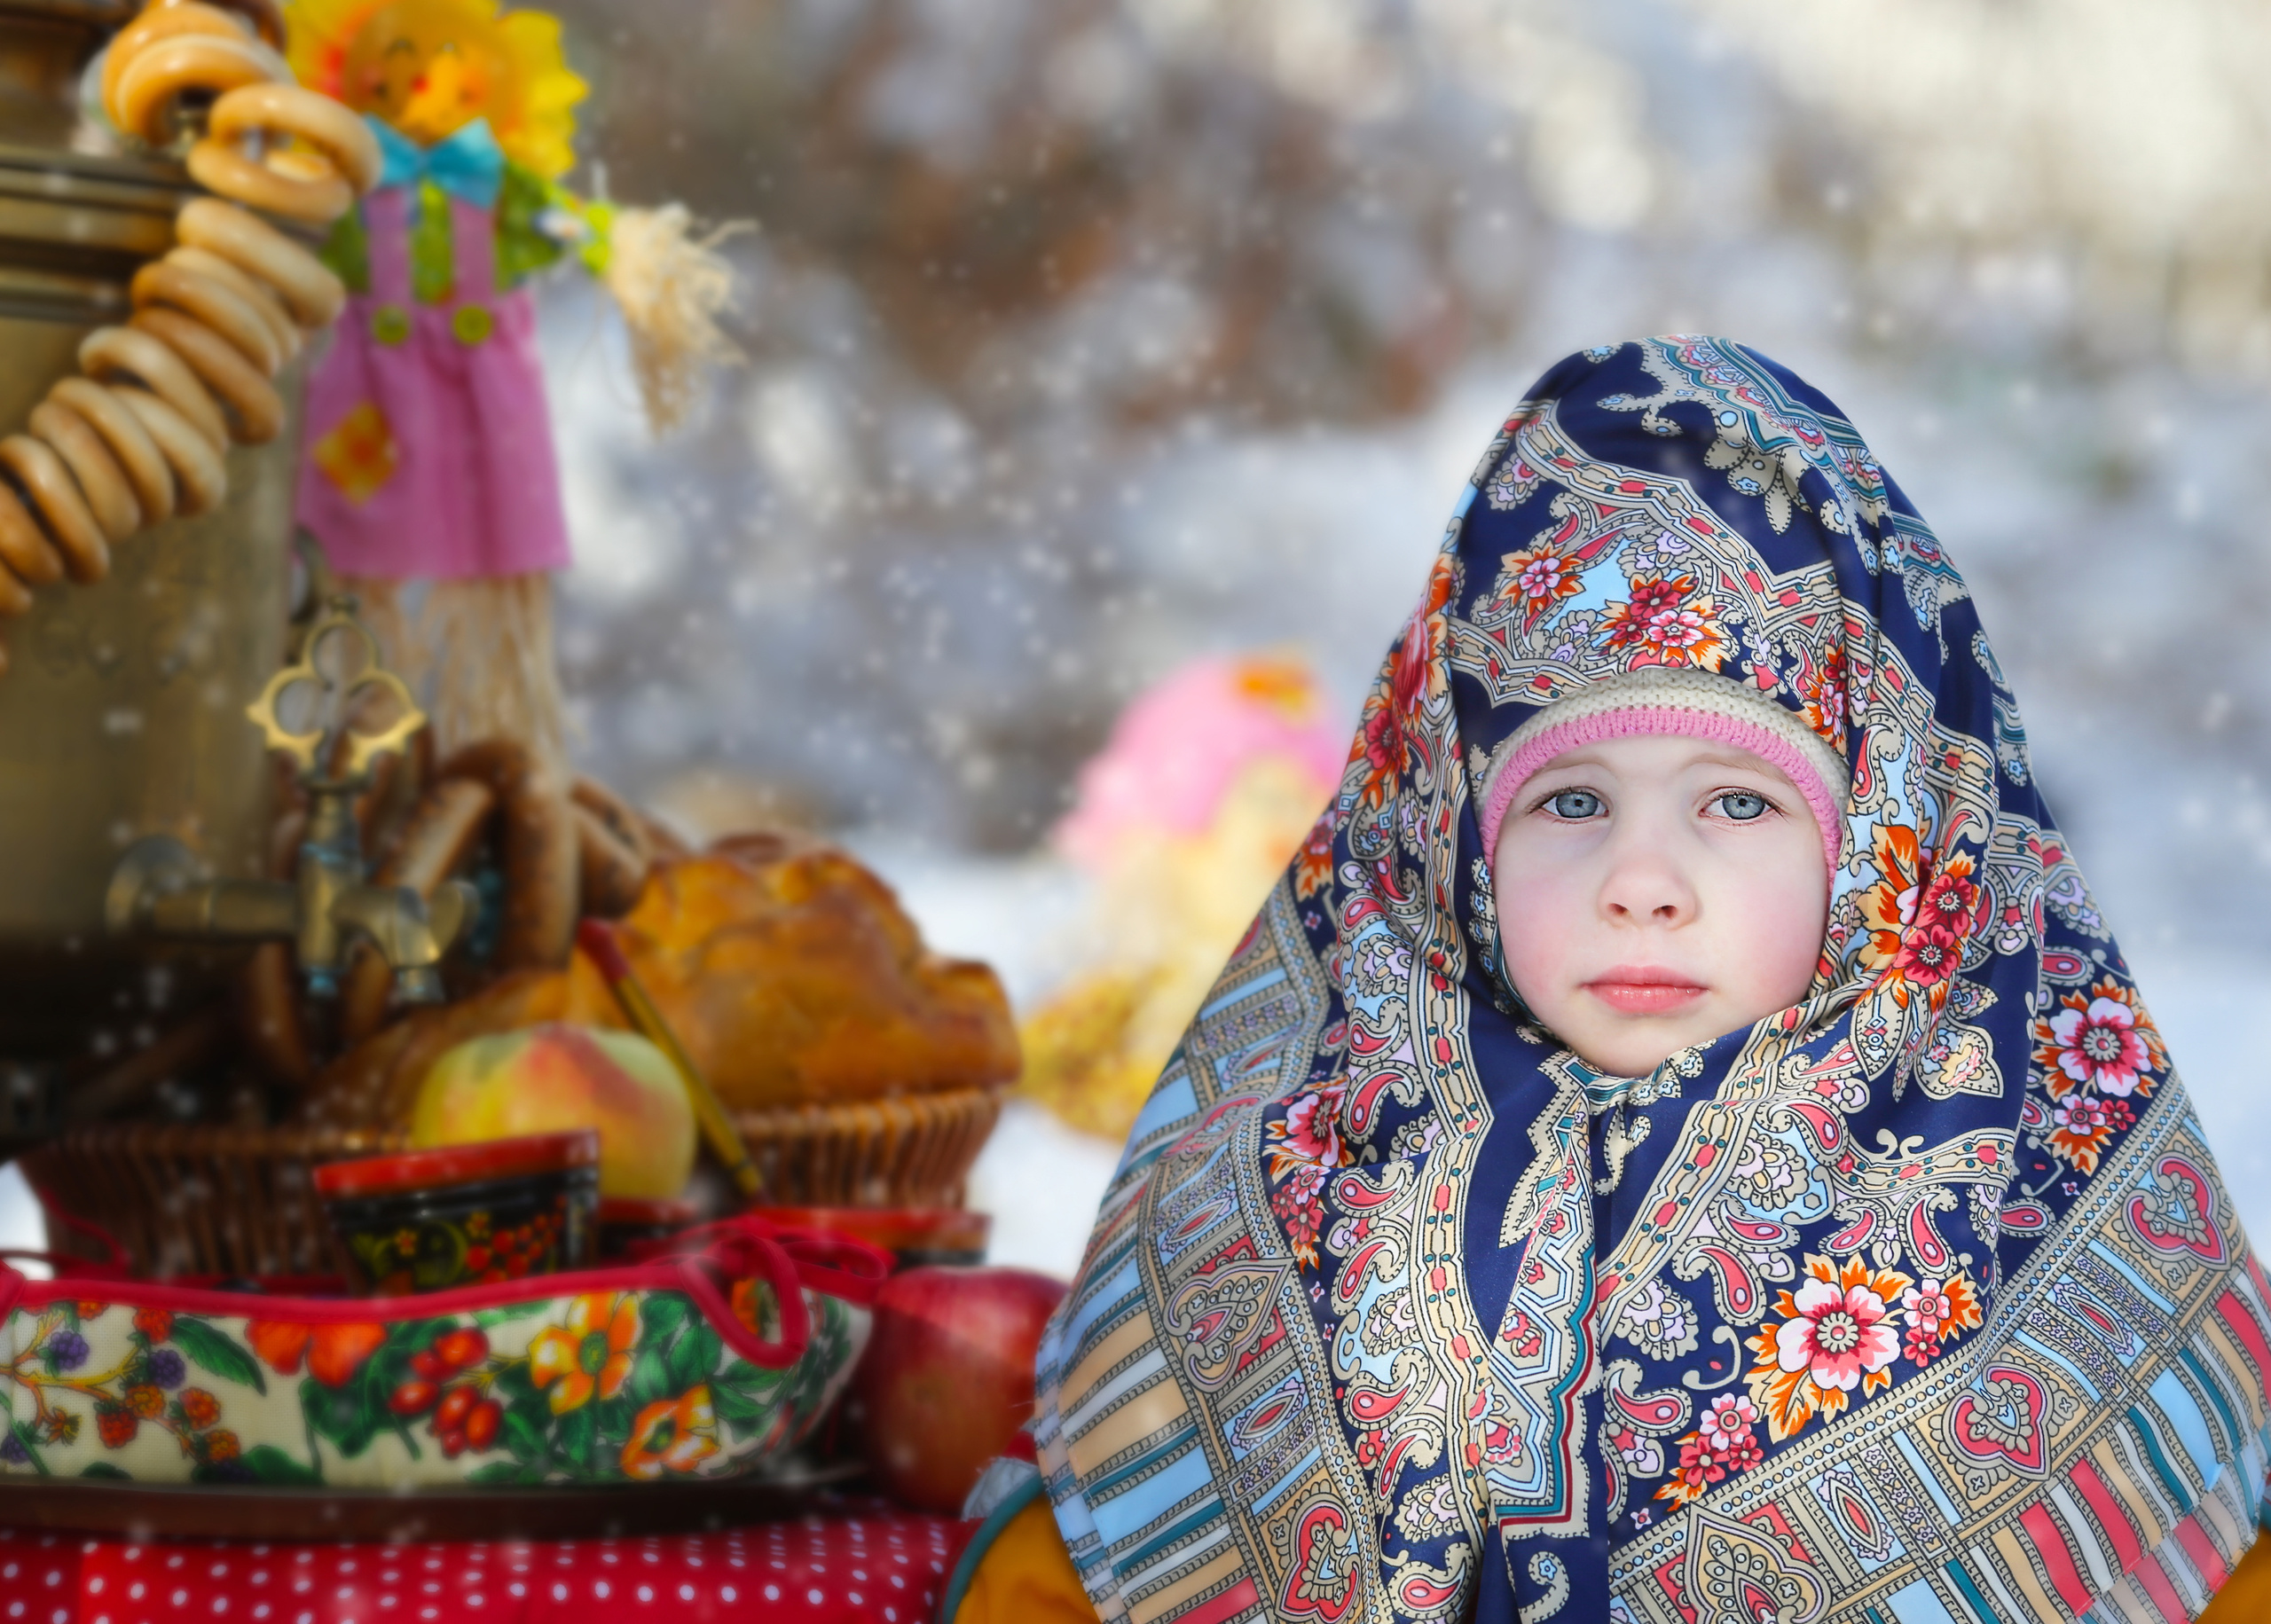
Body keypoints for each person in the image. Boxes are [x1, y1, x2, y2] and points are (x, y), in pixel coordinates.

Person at [944, 337, 2271, 1622]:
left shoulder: (2027, 1206)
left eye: (1741, 805)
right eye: (1570, 798)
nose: (1643, 877)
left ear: (1889, 846)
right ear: (1449, 828)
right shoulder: (1301, 1165)